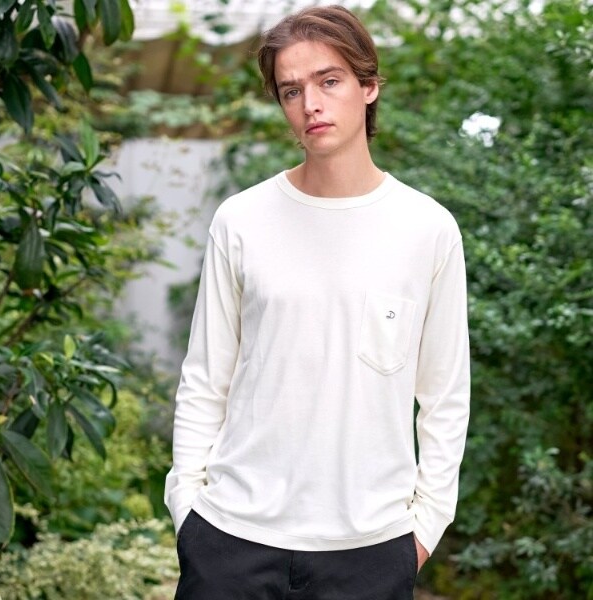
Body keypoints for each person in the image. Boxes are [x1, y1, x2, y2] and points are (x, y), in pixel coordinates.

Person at [165, 5, 470, 599]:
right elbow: (205, 378)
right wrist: (187, 508)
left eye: (329, 81)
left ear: (369, 85)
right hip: (230, 538)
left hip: (371, 550)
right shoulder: (242, 220)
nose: (311, 104)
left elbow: (444, 395)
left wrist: (425, 527)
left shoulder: (428, 229)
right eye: (291, 90)